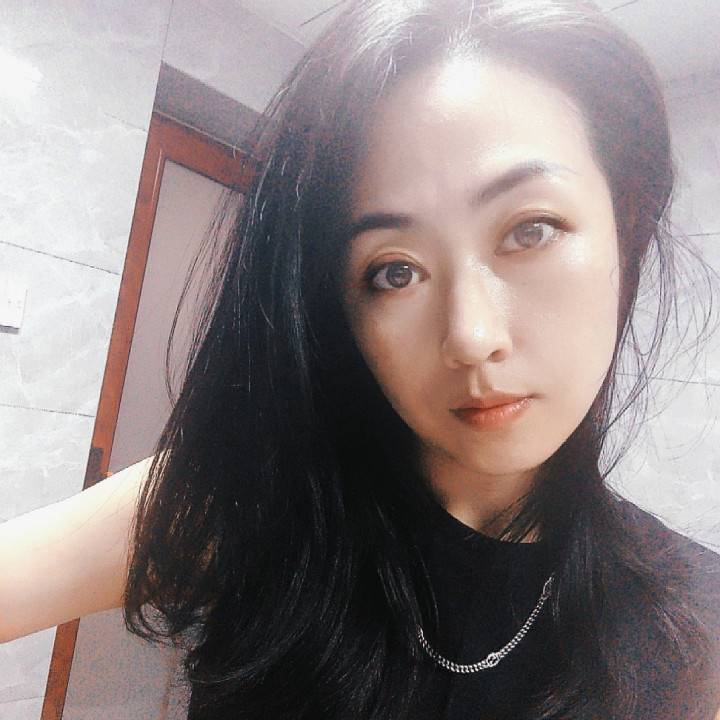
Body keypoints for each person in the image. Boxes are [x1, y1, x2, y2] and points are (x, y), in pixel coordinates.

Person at [1, 0, 719, 718]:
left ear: (625, 225)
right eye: (394, 272)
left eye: (530, 229)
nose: (471, 336)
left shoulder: (697, 634)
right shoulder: (247, 504)